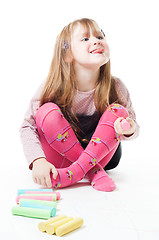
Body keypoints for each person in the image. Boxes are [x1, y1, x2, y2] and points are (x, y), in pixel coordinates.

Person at [20, 18, 139, 192]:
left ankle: (74, 174)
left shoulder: (116, 87)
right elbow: (27, 126)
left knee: (118, 111)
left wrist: (128, 128)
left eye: (100, 36)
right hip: (59, 157)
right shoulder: (53, 86)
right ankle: (93, 173)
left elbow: (134, 129)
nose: (96, 41)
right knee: (47, 111)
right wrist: (37, 160)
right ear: (67, 54)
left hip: (102, 157)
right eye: (85, 39)